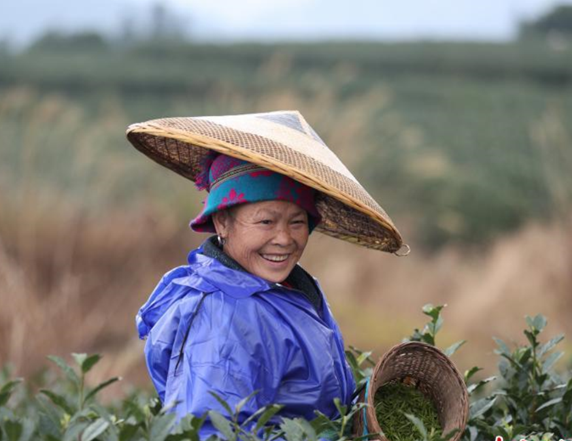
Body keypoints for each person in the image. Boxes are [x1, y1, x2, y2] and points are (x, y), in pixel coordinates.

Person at [127, 110, 406, 439]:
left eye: (297, 222)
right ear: (222, 222)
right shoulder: (226, 318)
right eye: (265, 221)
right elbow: (212, 431)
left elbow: (304, 398)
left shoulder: (289, 289)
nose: (285, 238)